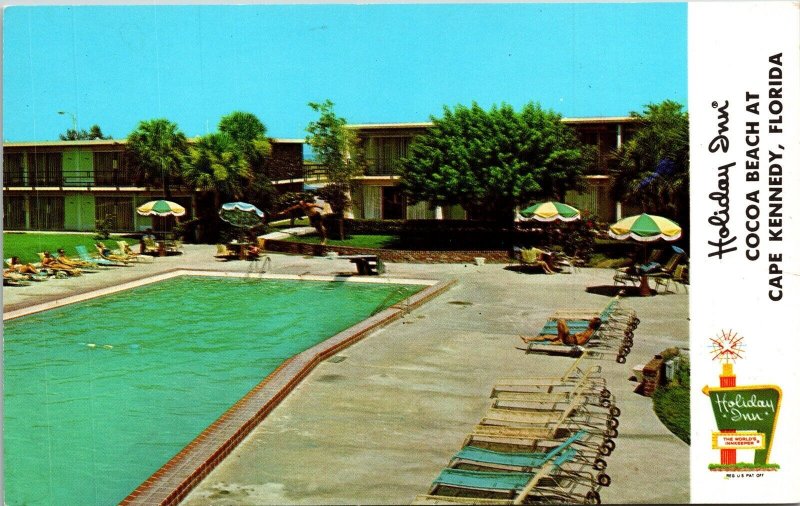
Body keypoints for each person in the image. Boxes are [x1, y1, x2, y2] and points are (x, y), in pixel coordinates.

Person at [520, 317, 602, 345]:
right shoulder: (590, 329)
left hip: (569, 340)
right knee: (546, 336)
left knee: (561, 321)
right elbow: (581, 336)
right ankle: (528, 339)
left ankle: (560, 339)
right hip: (570, 338)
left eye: (591, 321)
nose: (590, 321)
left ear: (593, 323)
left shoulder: (590, 332)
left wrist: (575, 338)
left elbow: (580, 341)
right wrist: (577, 334)